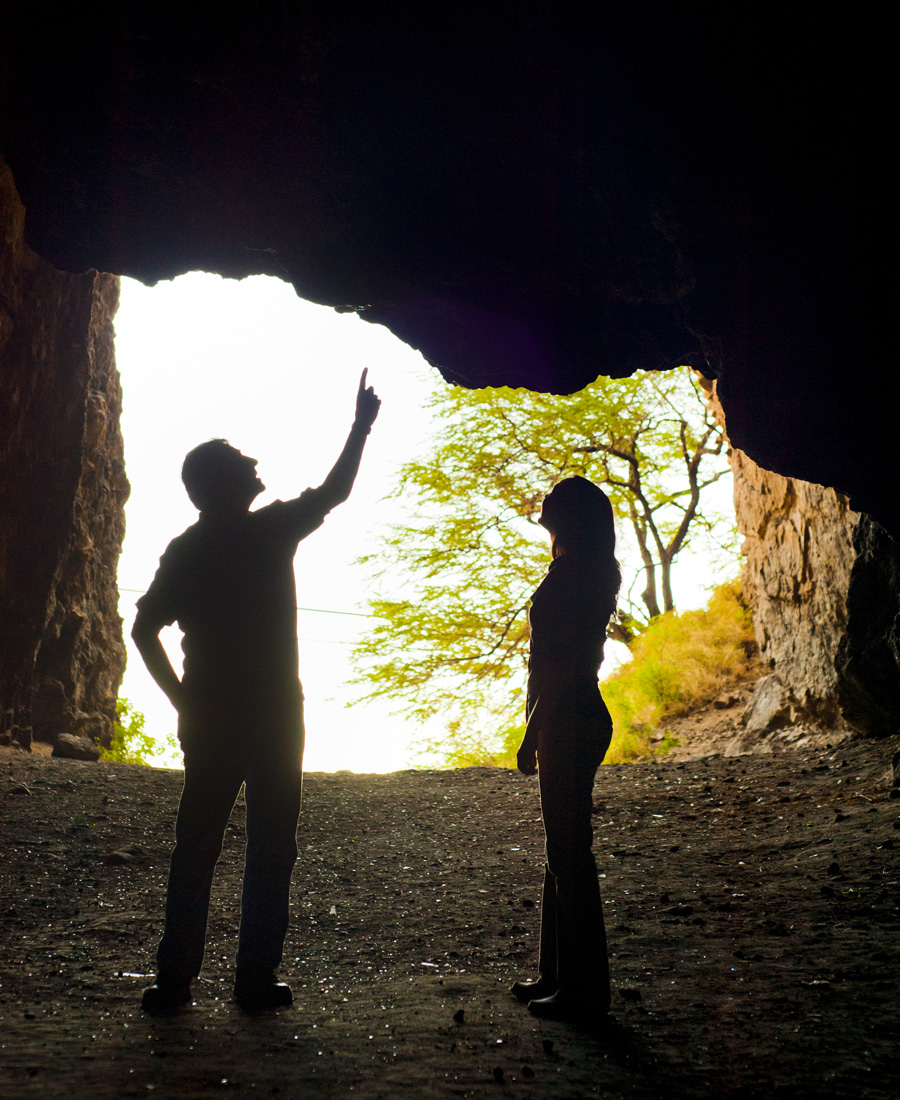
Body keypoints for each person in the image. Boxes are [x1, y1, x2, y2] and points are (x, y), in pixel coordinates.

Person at [133, 370, 381, 1014]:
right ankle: (254, 976)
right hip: (275, 717)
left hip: (214, 718)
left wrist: (183, 700)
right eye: (242, 460)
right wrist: (359, 428)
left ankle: (175, 979)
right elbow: (335, 491)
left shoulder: (189, 549)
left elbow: (144, 629)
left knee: (198, 846)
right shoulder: (270, 530)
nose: (254, 462)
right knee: (271, 845)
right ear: (224, 482)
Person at [512, 475, 620, 1023]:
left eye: (555, 497)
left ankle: (583, 991)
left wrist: (531, 732)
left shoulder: (571, 575)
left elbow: (557, 667)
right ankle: (557, 974)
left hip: (567, 718)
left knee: (569, 852)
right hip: (580, 714)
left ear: (570, 518)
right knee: (564, 847)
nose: (544, 500)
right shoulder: (588, 570)